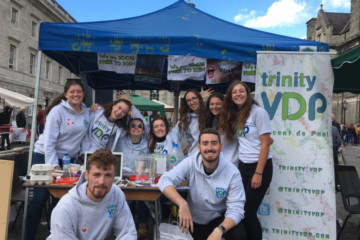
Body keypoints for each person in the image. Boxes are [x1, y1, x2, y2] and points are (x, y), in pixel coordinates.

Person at [26, 79, 92, 240]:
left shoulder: (86, 112)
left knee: (61, 198)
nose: (76, 94)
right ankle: (28, 236)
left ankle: (56, 236)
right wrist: (54, 165)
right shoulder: (57, 111)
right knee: (41, 197)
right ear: (66, 94)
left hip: (67, 161)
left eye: (79, 92)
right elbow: (49, 141)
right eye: (72, 92)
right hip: (44, 156)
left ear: (83, 94)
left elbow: (84, 138)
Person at [158, 128, 247, 240]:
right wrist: (182, 203)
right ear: (199, 148)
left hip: (218, 220)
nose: (209, 148)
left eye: (214, 143)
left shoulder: (232, 172)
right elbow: (164, 180)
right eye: (205, 144)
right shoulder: (190, 163)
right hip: (191, 220)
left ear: (221, 147)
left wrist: (220, 230)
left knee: (239, 235)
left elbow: (237, 210)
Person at [218, 80, 272, 240]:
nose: (238, 94)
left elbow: (264, 145)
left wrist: (258, 173)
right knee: (239, 209)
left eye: (241, 91)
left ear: (247, 94)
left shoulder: (258, 112)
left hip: (259, 167)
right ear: (230, 96)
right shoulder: (236, 114)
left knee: (248, 212)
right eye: (234, 92)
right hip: (243, 166)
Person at [47, 149, 137, 240]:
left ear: (114, 177)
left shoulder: (116, 194)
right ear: (86, 175)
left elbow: (128, 233)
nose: (101, 181)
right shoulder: (66, 206)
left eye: (108, 175)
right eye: (97, 175)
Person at [178, 89, 207, 156]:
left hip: (209, 157)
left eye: (194, 98)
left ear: (200, 99)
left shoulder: (209, 114)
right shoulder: (188, 118)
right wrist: (181, 155)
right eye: (188, 100)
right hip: (194, 157)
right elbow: (192, 143)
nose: (191, 102)